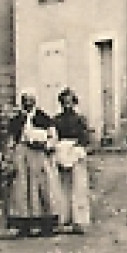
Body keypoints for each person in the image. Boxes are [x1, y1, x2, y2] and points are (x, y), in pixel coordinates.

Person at [3, 90, 59, 237]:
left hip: (39, 155)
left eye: (30, 100)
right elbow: (10, 140)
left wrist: (46, 144)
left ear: (35, 102)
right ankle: (23, 224)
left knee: (41, 187)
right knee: (21, 188)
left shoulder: (43, 118)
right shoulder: (16, 120)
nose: (28, 104)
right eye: (25, 101)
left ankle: (45, 223)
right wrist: (9, 156)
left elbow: (53, 137)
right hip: (21, 154)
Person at [51, 88, 93, 233]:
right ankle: (63, 218)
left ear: (74, 102)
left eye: (70, 102)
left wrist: (77, 147)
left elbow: (85, 138)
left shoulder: (80, 120)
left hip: (75, 153)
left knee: (78, 187)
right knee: (61, 187)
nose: (67, 105)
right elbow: (53, 137)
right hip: (61, 153)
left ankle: (79, 220)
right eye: (64, 102)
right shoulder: (56, 120)